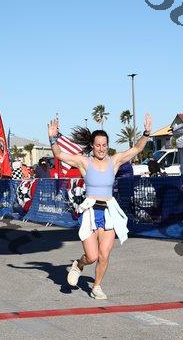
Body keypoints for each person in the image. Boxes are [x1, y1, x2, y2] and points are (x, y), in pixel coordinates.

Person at [48, 113, 152, 299]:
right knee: (92, 256)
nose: (101, 148)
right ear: (92, 145)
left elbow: (136, 148)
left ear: (108, 145)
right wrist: (52, 138)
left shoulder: (114, 161)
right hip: (90, 212)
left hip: (109, 212)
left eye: (104, 145)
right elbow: (59, 154)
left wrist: (146, 133)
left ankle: (96, 287)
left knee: (104, 255)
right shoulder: (84, 162)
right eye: (98, 145)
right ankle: (79, 265)